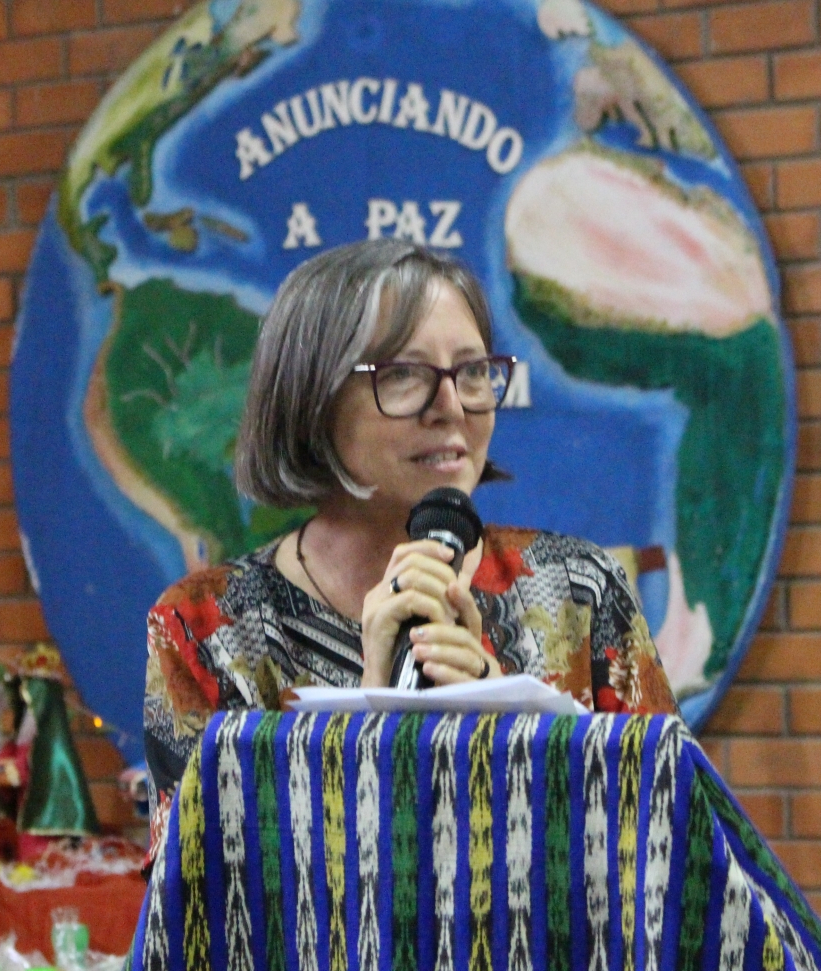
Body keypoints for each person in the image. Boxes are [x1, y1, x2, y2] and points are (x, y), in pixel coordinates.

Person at [141, 240, 678, 854]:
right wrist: (376, 720)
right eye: (403, 375)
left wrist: (505, 726)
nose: (451, 407)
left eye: (472, 372)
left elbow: (671, 849)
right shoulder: (204, 628)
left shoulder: (579, 590)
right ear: (310, 398)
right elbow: (200, 893)